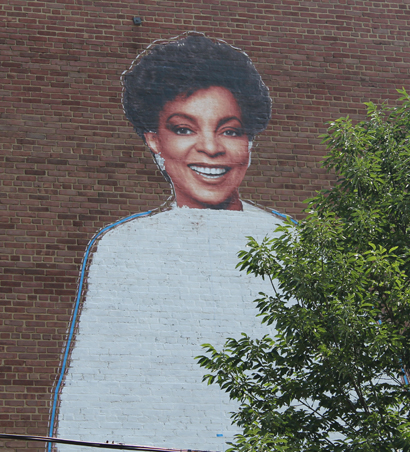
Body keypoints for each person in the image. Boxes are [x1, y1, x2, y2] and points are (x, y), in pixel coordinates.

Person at [52, 33, 283, 452]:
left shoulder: (295, 246)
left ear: (250, 142)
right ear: (153, 139)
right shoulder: (122, 249)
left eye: (230, 131)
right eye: (183, 128)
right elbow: (89, 403)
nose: (211, 148)